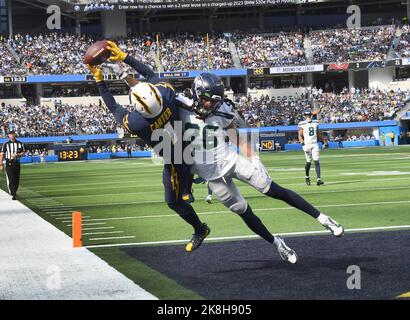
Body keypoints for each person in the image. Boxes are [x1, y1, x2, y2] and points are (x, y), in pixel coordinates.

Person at [176, 73, 344, 264]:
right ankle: (277, 243)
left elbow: (235, 135)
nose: (210, 105)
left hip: (230, 160)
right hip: (212, 178)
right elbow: (150, 96)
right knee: (243, 211)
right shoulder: (180, 106)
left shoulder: (222, 109)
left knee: (270, 188)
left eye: (215, 102)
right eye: (207, 100)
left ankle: (323, 218)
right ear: (198, 93)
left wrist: (254, 158)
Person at [87, 41, 209, 252]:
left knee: (173, 202)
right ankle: (189, 185)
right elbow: (150, 75)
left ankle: (200, 228)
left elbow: (114, 107)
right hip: (189, 141)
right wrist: (124, 58)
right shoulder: (167, 93)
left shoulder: (137, 123)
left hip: (174, 159)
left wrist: (100, 82)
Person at [298, 109, 324, 186]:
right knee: (308, 162)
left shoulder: (315, 122)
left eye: (309, 115)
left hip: (314, 144)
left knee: (316, 161)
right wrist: (303, 145)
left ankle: (318, 179)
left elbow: (318, 133)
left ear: (311, 115)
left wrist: (323, 141)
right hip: (307, 144)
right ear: (304, 116)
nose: (308, 117)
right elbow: (299, 135)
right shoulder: (302, 123)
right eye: (306, 115)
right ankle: (307, 176)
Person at [0, 131, 26, 200]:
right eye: (10, 135)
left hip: (17, 162)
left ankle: (14, 191)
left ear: (15, 135)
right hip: (9, 162)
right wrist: (1, 164)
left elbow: (23, 153)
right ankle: (13, 194)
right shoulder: (6, 144)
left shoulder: (20, 143)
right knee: (11, 178)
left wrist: (17, 155)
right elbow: (2, 154)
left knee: (16, 179)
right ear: (8, 136)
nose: (12, 137)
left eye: (13, 135)